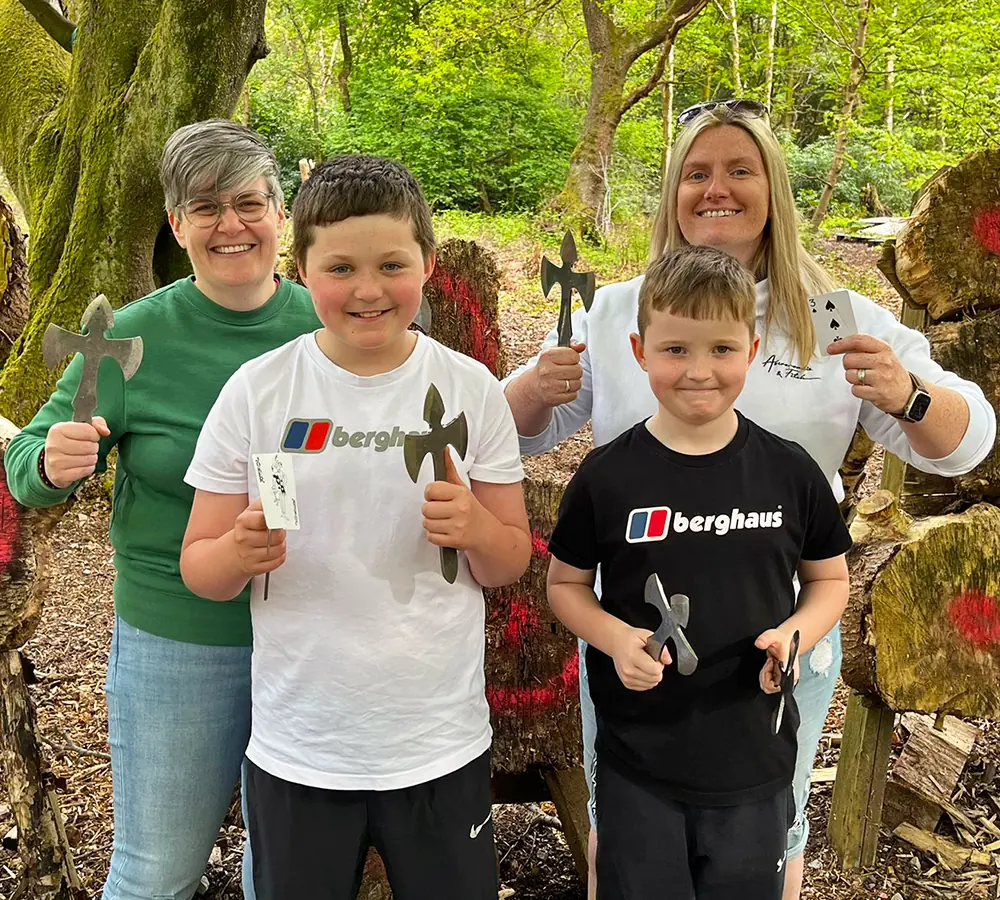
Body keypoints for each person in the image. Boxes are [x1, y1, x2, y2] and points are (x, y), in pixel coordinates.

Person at [503, 99, 997, 900]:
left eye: (740, 170)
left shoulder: (828, 315)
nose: (716, 189)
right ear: (672, 190)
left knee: (774, 835)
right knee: (625, 834)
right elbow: (516, 433)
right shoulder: (622, 310)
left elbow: (970, 439)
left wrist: (908, 396)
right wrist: (531, 387)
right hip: (642, 652)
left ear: (775, 188)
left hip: (778, 647)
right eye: (696, 173)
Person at [179, 155, 532, 900]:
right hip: (301, 745)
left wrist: (474, 527)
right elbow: (200, 570)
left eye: (392, 264)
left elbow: (510, 560)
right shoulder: (259, 393)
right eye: (340, 267)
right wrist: (238, 551)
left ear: (429, 265)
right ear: (301, 269)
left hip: (438, 742)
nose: (368, 290)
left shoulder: (469, 390)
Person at [4, 119, 321, 900]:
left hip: (319, 636)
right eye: (205, 207)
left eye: (249, 202)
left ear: (282, 214)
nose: (232, 225)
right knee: (156, 872)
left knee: (285, 875)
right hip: (178, 638)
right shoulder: (130, 338)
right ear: (176, 225)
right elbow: (25, 462)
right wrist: (50, 462)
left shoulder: (331, 327)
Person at [547, 244, 852, 898]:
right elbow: (564, 586)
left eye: (720, 349)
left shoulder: (791, 471)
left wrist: (796, 633)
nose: (698, 371)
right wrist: (613, 637)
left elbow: (830, 581)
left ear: (749, 348)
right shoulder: (609, 477)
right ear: (638, 351)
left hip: (756, 761)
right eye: (675, 349)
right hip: (639, 764)